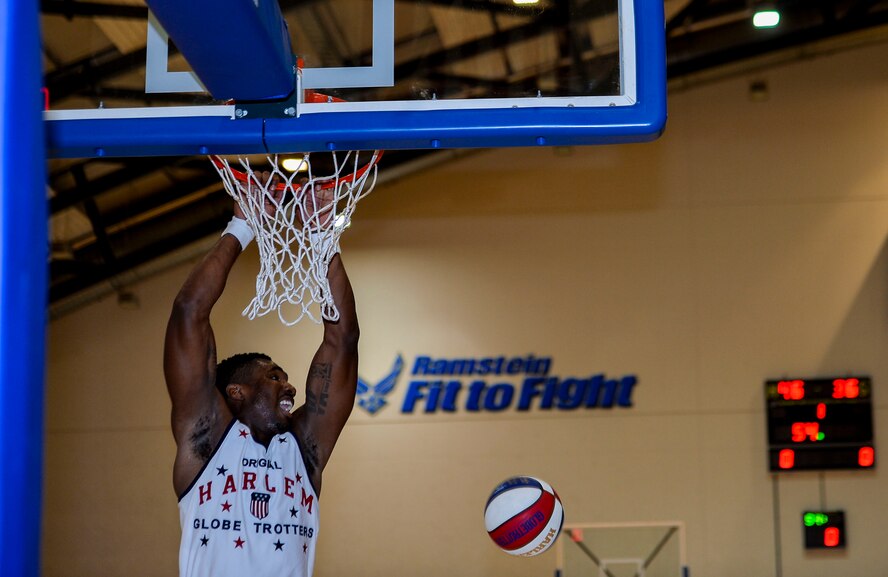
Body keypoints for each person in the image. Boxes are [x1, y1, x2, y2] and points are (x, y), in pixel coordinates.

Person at [163, 174, 359, 577]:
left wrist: (322, 237)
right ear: (235, 391)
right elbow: (189, 312)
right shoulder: (206, 440)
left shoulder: (303, 449)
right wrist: (242, 227)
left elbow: (343, 340)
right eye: (273, 377)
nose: (289, 386)